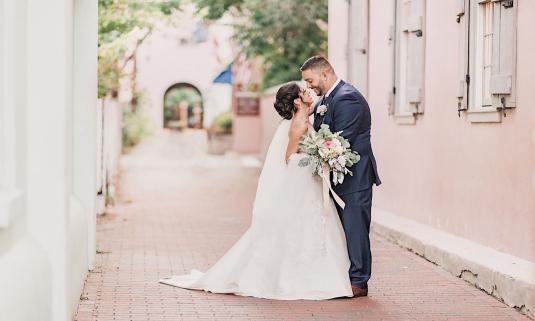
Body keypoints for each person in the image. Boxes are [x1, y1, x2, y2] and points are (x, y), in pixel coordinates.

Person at [159, 82, 353, 300]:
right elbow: (289, 157)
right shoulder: (298, 124)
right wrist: (319, 156)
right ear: (298, 101)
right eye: (303, 91)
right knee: (301, 227)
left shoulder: (304, 120)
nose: (308, 91)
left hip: (308, 184)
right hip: (303, 185)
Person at [301, 55, 381, 297]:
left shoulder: (348, 98)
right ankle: (344, 276)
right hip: (336, 176)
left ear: (325, 74)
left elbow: (339, 141)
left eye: (310, 80)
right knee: (341, 229)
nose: (309, 86)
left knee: (355, 229)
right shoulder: (328, 98)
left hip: (354, 177)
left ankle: (359, 282)